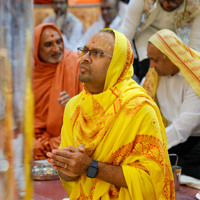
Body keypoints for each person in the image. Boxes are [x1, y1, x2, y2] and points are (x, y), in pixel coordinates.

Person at [47, 28, 175, 199]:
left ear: (118, 64)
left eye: (97, 53)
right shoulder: (75, 107)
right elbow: (70, 177)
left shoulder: (139, 109)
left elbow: (153, 183)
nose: (85, 58)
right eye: (84, 51)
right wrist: (66, 166)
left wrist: (90, 167)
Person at [143, 29, 200, 179]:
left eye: (155, 60)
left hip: (195, 143)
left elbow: (183, 127)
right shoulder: (154, 75)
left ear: (170, 57)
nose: (151, 65)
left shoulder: (196, 76)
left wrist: (149, 146)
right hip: (170, 139)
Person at [33, 23, 82, 160]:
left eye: (59, 42)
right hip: (35, 140)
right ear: (36, 48)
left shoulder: (76, 63)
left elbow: (92, 111)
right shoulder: (28, 73)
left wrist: (73, 103)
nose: (56, 49)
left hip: (67, 137)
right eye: (48, 44)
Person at [119, 0, 200, 82]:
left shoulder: (197, 5)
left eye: (174, 1)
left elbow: (194, 48)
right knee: (149, 70)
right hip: (146, 35)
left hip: (174, 40)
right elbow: (126, 34)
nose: (167, 4)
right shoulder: (141, 1)